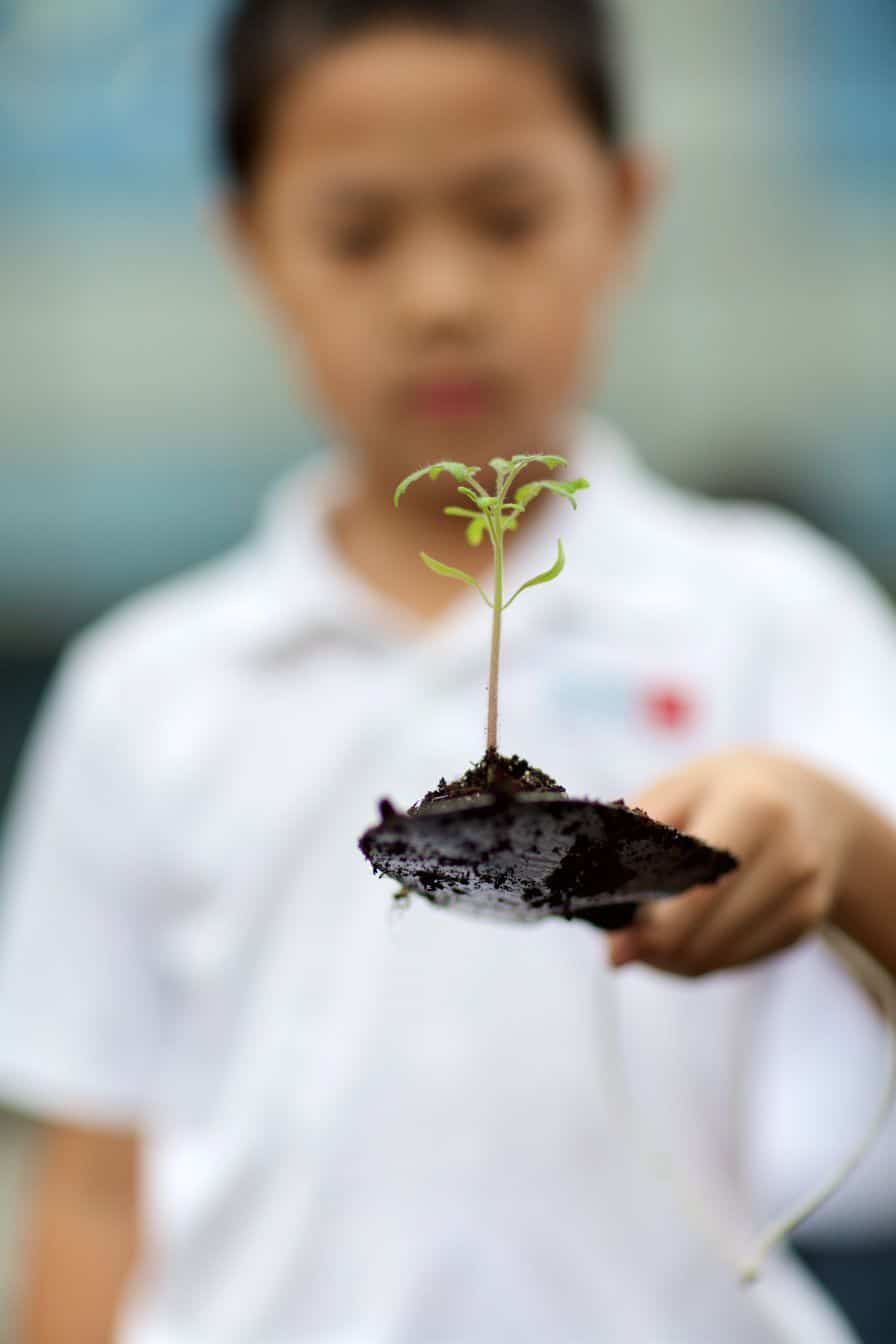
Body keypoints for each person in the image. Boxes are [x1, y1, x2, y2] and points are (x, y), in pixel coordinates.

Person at [1, 1, 895, 1340]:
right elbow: (94, 1180)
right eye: (360, 235)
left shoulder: (766, 616)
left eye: (509, 220)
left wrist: (832, 837)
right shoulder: (148, 689)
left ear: (625, 207)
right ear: (250, 246)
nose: (443, 300)